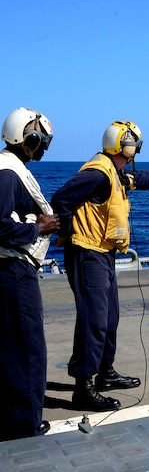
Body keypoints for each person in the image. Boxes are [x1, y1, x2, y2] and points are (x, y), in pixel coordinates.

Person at [51, 120, 149, 412]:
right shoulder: (97, 174)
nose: (135, 148)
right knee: (94, 321)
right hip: (87, 253)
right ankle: (83, 387)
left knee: (109, 317)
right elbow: (61, 199)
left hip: (102, 252)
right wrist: (67, 233)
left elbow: (140, 180)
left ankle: (105, 373)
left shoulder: (115, 172)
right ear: (121, 144)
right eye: (132, 143)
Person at [0, 107, 59, 440]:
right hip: (14, 272)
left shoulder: (7, 167)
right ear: (26, 136)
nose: (42, 147)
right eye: (39, 139)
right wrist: (38, 227)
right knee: (27, 349)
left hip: (9, 271)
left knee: (10, 349)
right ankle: (25, 427)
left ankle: (14, 420)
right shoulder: (8, 172)